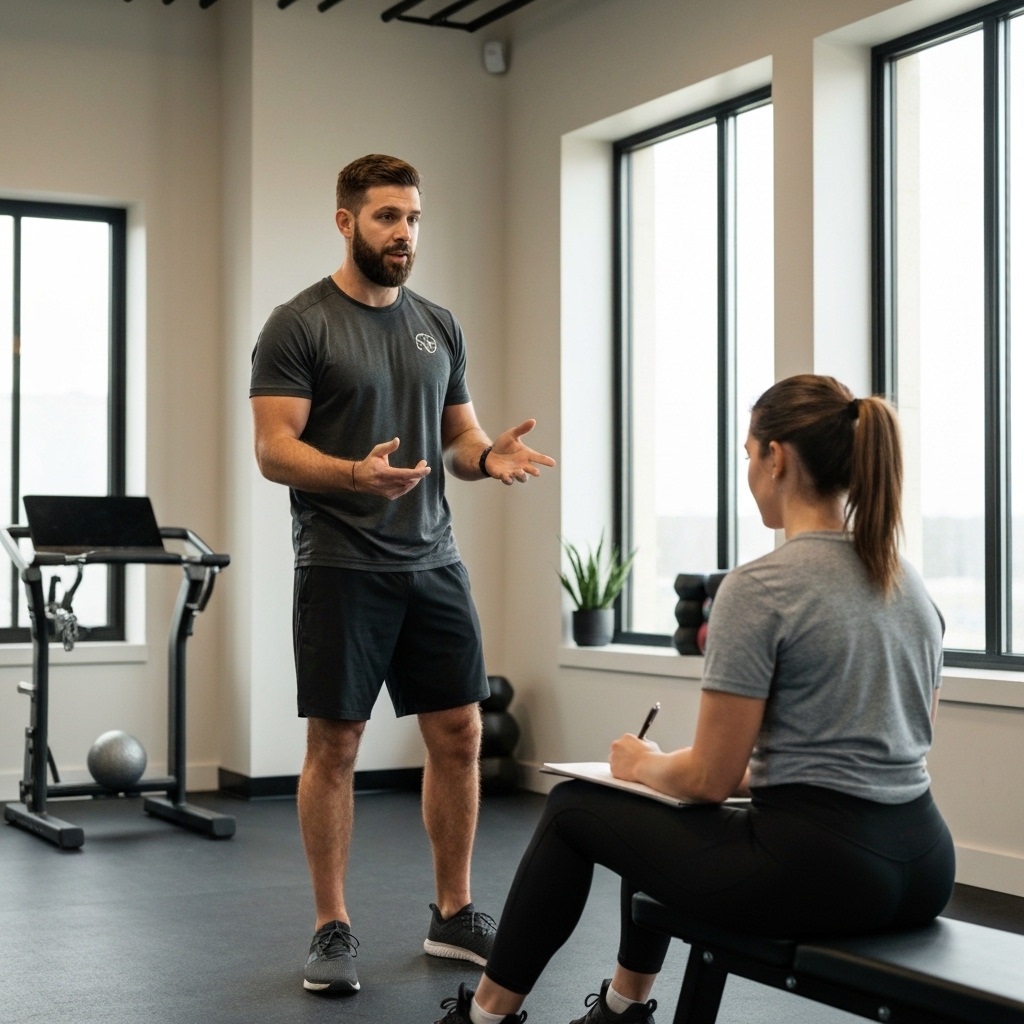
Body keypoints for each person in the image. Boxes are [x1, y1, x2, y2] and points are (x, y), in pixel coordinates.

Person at [433, 374, 955, 1024]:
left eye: (747, 454)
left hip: (822, 873)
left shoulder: (758, 587)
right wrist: (666, 779)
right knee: (652, 813)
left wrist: (639, 763)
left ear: (778, 458)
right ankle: (622, 1010)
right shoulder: (908, 581)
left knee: (574, 810)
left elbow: (709, 780)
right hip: (927, 867)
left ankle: (484, 1018)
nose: (748, 470)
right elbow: (905, 739)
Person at [250, 154, 556, 995]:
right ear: (346, 222)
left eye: (414, 218)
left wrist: (489, 457)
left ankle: (453, 913)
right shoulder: (298, 324)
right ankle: (332, 927)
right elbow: (274, 449)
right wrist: (353, 475)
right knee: (337, 744)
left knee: (459, 733)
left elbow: (458, 441)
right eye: (387, 217)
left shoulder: (438, 323)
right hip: (343, 564)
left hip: (434, 560)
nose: (404, 234)